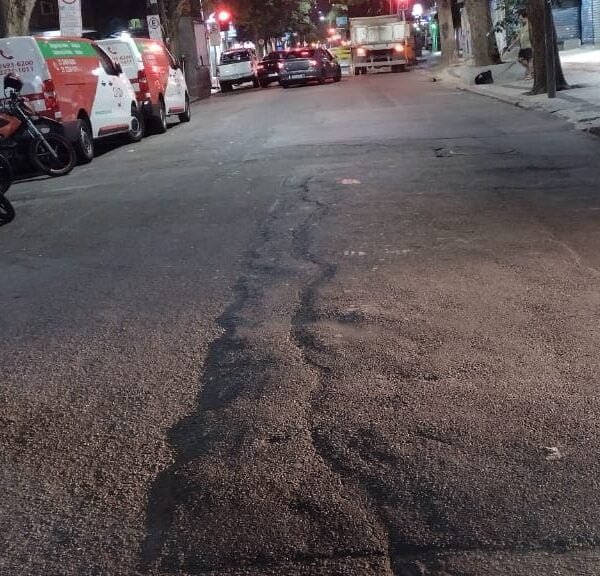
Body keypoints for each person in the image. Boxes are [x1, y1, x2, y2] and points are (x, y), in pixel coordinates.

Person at [505, 9, 533, 80]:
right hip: (523, 46)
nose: (521, 20)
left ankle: (529, 74)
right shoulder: (522, 27)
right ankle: (530, 69)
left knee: (530, 60)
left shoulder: (530, 25)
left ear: (526, 17)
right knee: (520, 59)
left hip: (529, 46)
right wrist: (511, 46)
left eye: (521, 19)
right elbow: (518, 37)